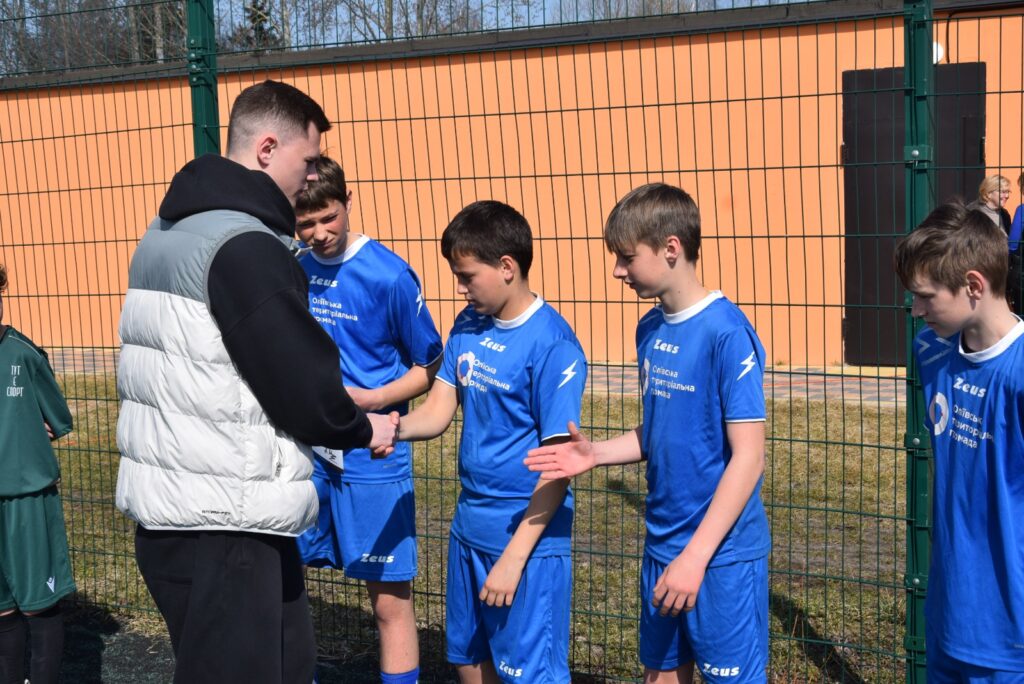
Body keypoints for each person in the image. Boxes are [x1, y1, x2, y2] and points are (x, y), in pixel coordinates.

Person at [115, 80, 397, 684]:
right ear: (268, 148)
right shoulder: (245, 244)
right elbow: (300, 384)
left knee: (287, 663)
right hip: (225, 519)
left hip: (184, 509)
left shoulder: (168, 230)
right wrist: (361, 427)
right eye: (308, 159)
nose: (312, 175)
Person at [525, 183, 770, 684]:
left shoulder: (727, 333)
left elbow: (749, 457)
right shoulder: (649, 329)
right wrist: (595, 453)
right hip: (662, 545)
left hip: (721, 556)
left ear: (671, 248)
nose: (618, 271)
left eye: (626, 257)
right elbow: (661, 429)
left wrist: (695, 558)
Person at [392, 200, 587, 683]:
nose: (460, 288)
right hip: (469, 526)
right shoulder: (469, 323)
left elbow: (559, 464)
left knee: (527, 673)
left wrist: (514, 558)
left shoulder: (554, 344)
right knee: (466, 657)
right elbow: (437, 411)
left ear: (506, 267)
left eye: (466, 276)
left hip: (525, 535)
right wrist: (388, 429)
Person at [293, 156, 442, 684]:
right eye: (306, 223)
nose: (319, 233)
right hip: (306, 451)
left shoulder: (389, 275)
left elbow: (429, 366)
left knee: (388, 602)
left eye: (328, 218)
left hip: (373, 453)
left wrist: (375, 398)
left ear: (348, 202)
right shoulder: (293, 267)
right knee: (286, 583)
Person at [893, 201, 1024, 681]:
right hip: (947, 615)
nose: (916, 310)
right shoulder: (930, 350)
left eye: (926, 296)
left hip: (1011, 632)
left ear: (973, 285)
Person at [0, 263, 76, 684]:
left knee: (38, 604)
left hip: (25, 499)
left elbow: (55, 419)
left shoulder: (23, 354)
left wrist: (34, 422)